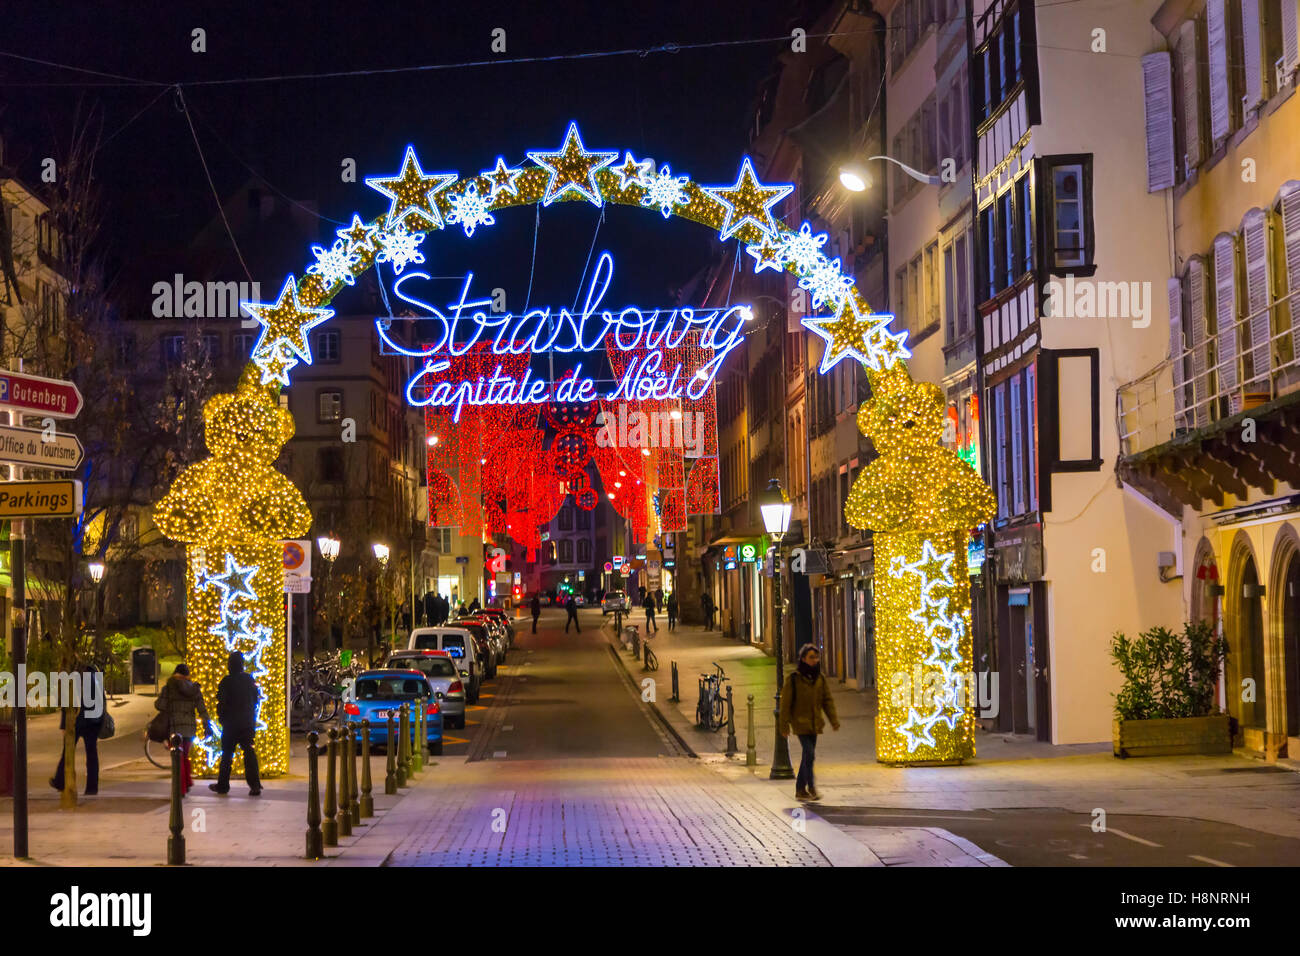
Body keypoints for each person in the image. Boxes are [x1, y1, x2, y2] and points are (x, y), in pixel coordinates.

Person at [778, 644, 840, 801]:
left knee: (808, 756)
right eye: (811, 657)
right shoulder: (793, 680)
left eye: (816, 657)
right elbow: (785, 705)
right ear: (803, 659)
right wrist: (784, 726)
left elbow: (827, 701)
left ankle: (800, 789)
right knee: (810, 754)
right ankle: (811, 787)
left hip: (814, 724)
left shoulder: (820, 678)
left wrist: (834, 720)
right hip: (800, 724)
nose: (815, 660)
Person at [155, 663, 212, 797]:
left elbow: (160, 705)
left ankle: (180, 788)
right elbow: (202, 709)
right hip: (190, 729)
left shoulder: (169, 687)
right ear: (187, 675)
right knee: (184, 756)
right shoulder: (194, 689)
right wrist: (206, 724)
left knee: (177, 759)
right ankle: (187, 782)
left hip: (174, 728)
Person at [211, 652, 261, 796]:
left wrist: (222, 718)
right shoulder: (249, 679)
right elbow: (255, 699)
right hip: (247, 723)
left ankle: (223, 785)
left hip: (231, 724)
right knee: (249, 753)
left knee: (227, 755)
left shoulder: (226, 681)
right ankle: (255, 784)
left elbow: (221, 702)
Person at [50, 664, 104, 796]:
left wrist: (64, 725)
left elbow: (67, 704)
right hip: (93, 721)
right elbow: (102, 700)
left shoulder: (74, 678)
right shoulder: (96, 677)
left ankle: (60, 781)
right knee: (92, 754)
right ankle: (92, 787)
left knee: (67, 751)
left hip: (77, 721)